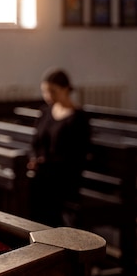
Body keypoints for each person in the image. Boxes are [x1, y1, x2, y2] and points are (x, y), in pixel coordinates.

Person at [27, 68, 91, 227]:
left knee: (35, 188)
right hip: (44, 172)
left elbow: (76, 155)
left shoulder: (78, 117)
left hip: (65, 176)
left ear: (65, 89)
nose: (48, 96)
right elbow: (35, 142)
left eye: (52, 91)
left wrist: (45, 163)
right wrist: (34, 159)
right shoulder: (45, 112)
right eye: (45, 92)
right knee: (28, 184)